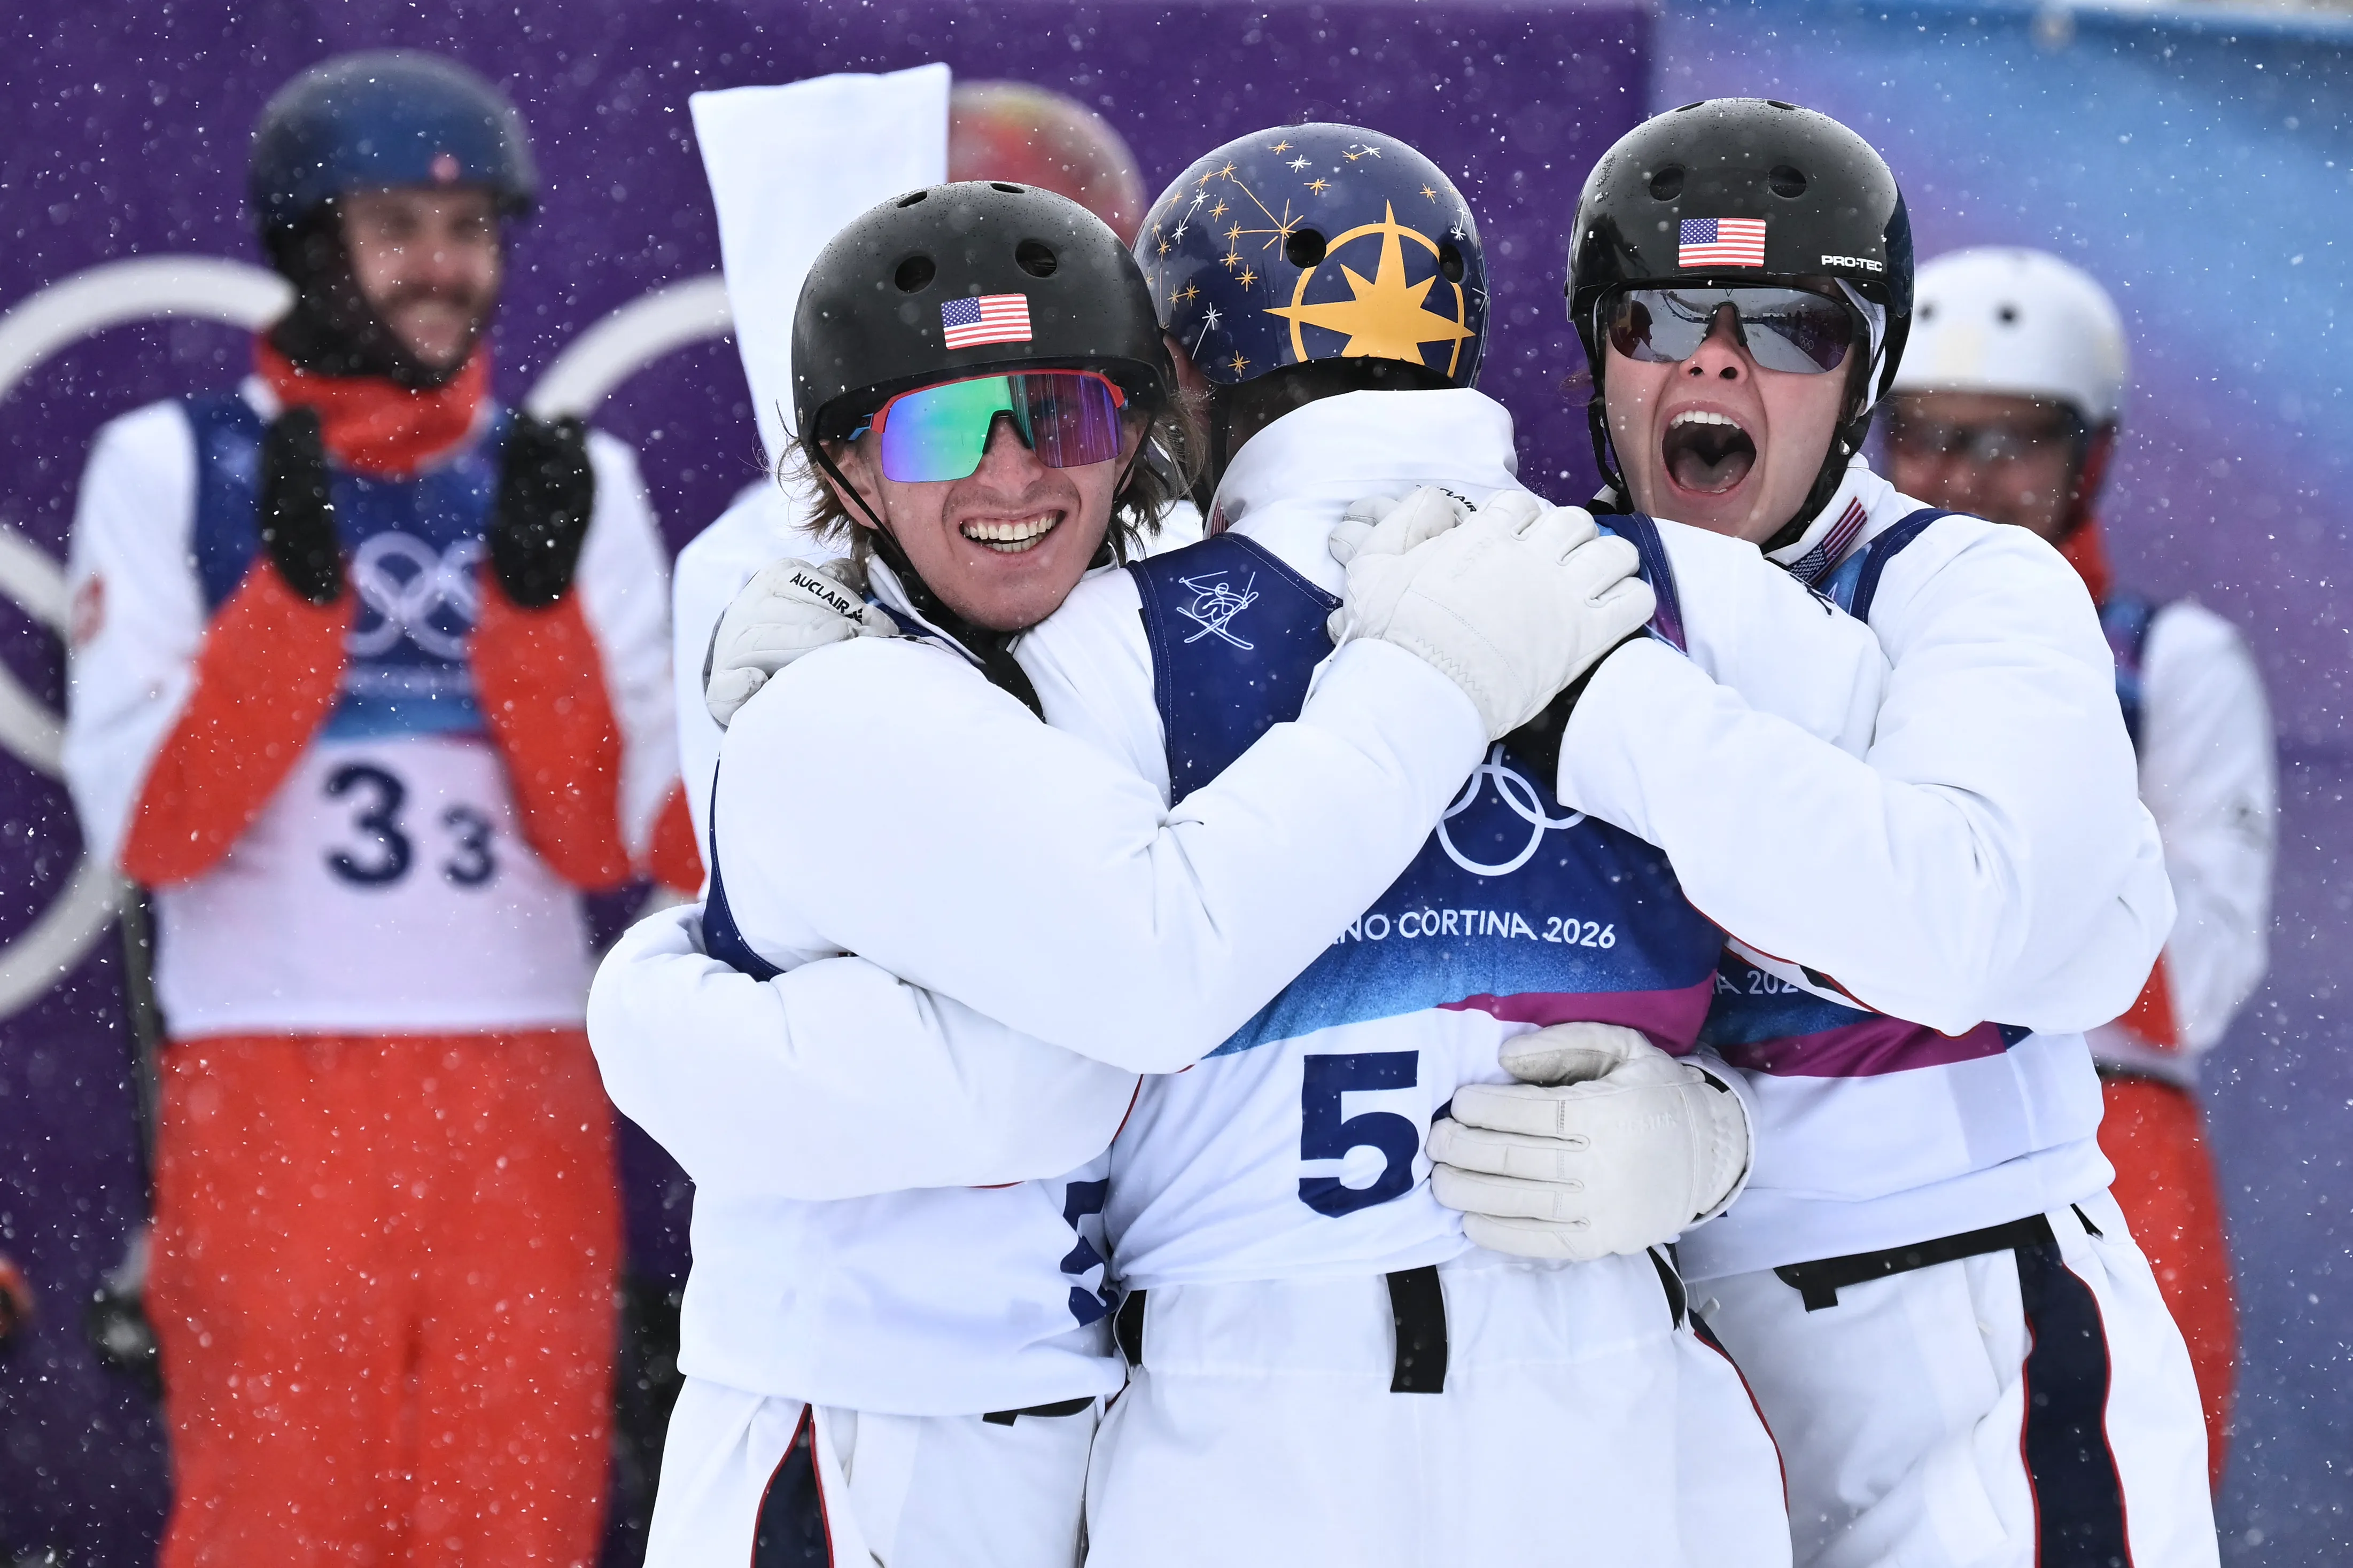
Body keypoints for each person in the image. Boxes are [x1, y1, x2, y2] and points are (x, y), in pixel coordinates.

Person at [644, 123, 1924, 1566]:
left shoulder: (1082, 646)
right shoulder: (1701, 596)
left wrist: (660, 989)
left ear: (1174, 377)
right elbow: (1937, 945)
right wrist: (1721, 1132)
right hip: (1613, 1374)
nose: (1016, 469)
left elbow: (1026, 1009)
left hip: (1222, 1395)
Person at [1430, 99, 2209, 1567]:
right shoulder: (1522, 577)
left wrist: (1598, 702)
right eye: (1659, 317)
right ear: (1597, 355)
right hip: (1640, 1361)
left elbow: (1951, 925)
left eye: (1790, 326)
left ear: (1860, 379)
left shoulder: (1970, 588)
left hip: (1965, 1344)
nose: (1718, 364)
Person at [60, 51, 698, 1567]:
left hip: (525, 1082)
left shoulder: (573, 475)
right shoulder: (167, 464)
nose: (443, 266)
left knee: (515, 1506)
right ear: (303, 241)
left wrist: (535, 621)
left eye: (472, 227)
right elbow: (153, 836)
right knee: (280, 1511)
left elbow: (608, 843)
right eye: (399, 225)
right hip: (273, 1081)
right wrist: (287, 604)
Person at [1885, 245, 2274, 1488]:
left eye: (2013, 442)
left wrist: (2035, 790)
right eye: (1928, 434)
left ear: (2087, 457)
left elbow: (2195, 980)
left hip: (2112, 1148)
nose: (1963, 478)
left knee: (2111, 1500)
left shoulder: (2173, 664)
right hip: (1861, 1113)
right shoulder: (1816, 628)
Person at [670, 76, 1172, 852]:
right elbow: (709, 882)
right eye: (942, 427)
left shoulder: (1214, 566)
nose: (1009, 473)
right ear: (853, 471)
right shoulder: (748, 578)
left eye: (1061, 410)